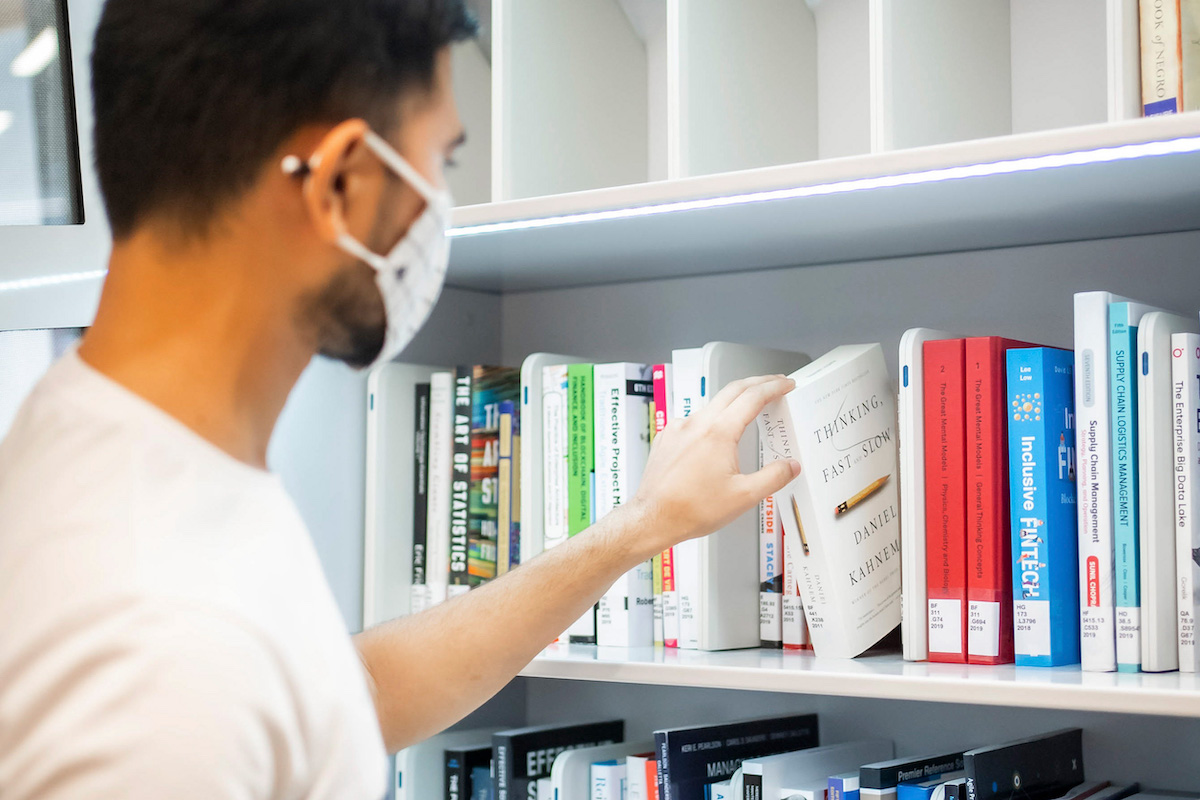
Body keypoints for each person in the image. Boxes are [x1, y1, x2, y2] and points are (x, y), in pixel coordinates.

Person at [0, 1, 801, 797]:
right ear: (340, 180)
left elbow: (348, 696)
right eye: (438, 164)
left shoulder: (112, 458)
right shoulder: (160, 644)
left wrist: (641, 528)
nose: (436, 212)